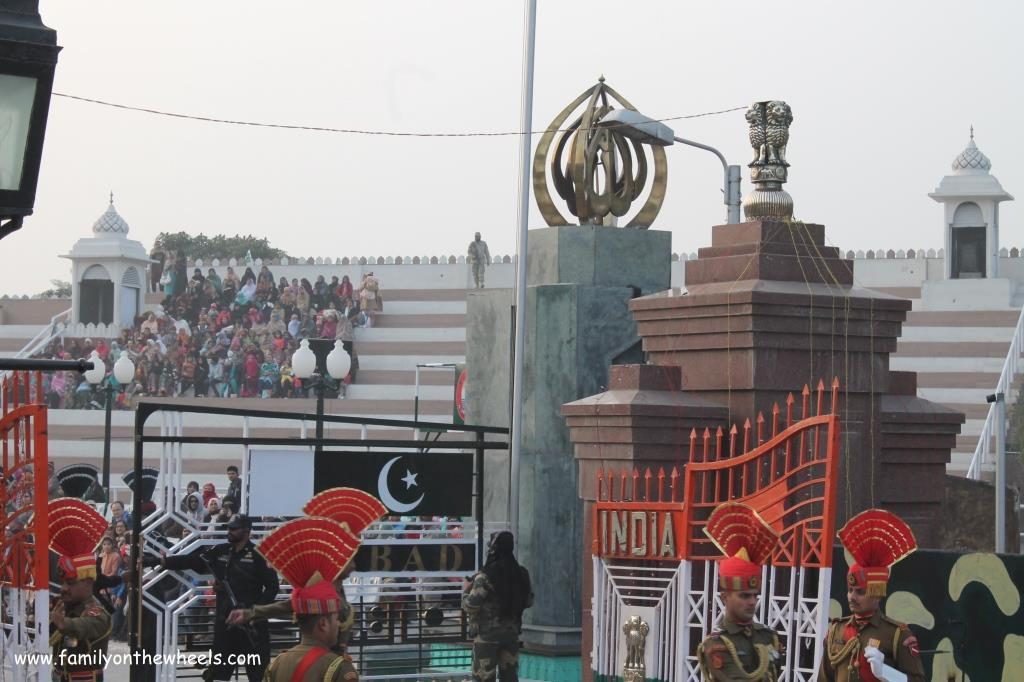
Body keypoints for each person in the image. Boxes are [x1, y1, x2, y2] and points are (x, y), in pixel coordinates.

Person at [148, 514, 279, 681]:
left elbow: (272, 587)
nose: (229, 532)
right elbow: (192, 561)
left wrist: (255, 611)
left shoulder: (258, 555)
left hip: (252, 625)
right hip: (225, 623)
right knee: (218, 674)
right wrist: (161, 561)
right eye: (228, 528)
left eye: (234, 528)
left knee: (258, 674)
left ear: (246, 531)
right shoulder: (221, 551)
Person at [818, 509, 925, 682]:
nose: (851, 597)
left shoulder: (897, 634)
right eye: (850, 590)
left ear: (877, 593)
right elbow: (824, 678)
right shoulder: (837, 630)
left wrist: (887, 673)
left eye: (860, 592)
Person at [259, 516, 361, 681]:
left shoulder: (276, 664)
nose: (338, 623)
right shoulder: (339, 668)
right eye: (335, 619)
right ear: (323, 623)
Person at [696, 503, 781, 681]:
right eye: (744, 595)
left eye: (755, 595)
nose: (752, 602)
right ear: (724, 597)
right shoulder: (716, 644)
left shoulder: (768, 636)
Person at [47, 498, 112, 682]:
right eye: (64, 583)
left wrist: (64, 623)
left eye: (70, 583)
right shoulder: (65, 606)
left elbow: (84, 626)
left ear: (88, 582)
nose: (64, 589)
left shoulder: (96, 612)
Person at [462, 531, 533, 682]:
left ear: (493, 549)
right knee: (509, 677)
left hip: (487, 636)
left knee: (483, 678)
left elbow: (470, 606)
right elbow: (528, 601)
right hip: (511, 634)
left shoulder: (485, 577)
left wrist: (466, 590)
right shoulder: (521, 573)